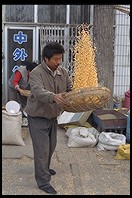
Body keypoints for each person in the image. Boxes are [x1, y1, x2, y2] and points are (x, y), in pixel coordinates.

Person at [24, 42, 72, 194]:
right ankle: (43, 181)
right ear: (46, 58)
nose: (58, 62)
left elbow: (70, 89)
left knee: (51, 146)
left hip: (52, 115)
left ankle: (45, 168)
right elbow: (38, 92)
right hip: (37, 116)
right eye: (56, 59)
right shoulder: (37, 73)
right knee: (41, 150)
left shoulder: (63, 72)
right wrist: (54, 97)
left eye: (60, 58)